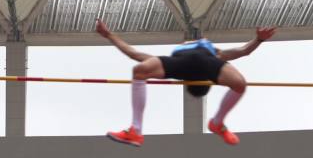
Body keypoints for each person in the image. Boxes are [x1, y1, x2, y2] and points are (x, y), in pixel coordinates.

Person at [96, 19, 275, 146]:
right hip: (205, 64)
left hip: (192, 66)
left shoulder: (189, 56)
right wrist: (258, 39)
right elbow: (243, 51)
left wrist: (109, 35)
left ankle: (136, 129)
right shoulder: (214, 52)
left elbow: (133, 54)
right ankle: (217, 123)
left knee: (139, 70)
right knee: (240, 84)